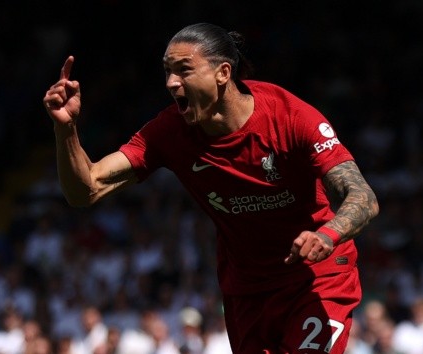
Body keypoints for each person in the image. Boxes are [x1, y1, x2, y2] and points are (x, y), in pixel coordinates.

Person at [43, 22, 379, 354]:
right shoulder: (169, 132)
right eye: (167, 72)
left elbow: (362, 197)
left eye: (184, 70)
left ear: (223, 73)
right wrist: (66, 130)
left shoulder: (292, 118)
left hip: (316, 277)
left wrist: (326, 235)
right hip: (247, 289)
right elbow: (84, 191)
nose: (172, 82)